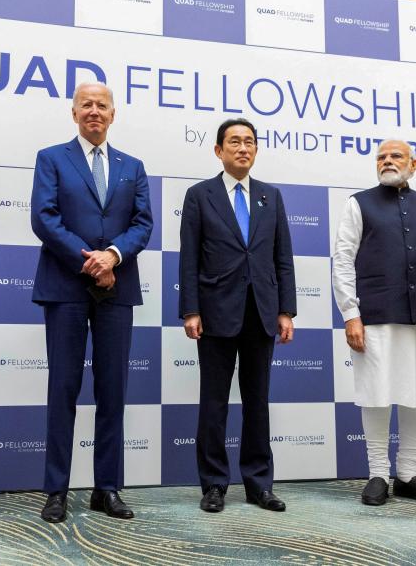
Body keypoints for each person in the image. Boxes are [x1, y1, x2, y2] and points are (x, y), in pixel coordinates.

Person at [30, 82, 153, 523]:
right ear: (74, 112)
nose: (94, 111)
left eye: (102, 105)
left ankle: (107, 489)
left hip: (117, 287)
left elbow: (143, 224)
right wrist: (90, 260)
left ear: (114, 114)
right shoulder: (51, 158)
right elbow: (44, 218)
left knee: (112, 391)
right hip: (65, 286)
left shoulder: (132, 166)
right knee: (62, 389)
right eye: (87, 105)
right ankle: (56, 491)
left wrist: (113, 256)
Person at [331, 139, 416, 506]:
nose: (387, 161)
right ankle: (377, 474)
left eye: (395, 156)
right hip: (374, 315)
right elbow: (342, 260)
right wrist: (351, 313)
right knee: (376, 392)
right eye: (382, 157)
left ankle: (407, 474)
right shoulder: (358, 204)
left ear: (413, 164)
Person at [179, 117, 296, 514]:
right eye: (234, 142)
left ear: (256, 149)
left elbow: (283, 259)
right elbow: (189, 257)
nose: (242, 148)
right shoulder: (200, 195)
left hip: (261, 313)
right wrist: (190, 309)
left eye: (249, 142)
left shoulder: (271, 196)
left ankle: (259, 484)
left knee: (257, 403)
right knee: (213, 404)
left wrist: (286, 310)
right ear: (218, 150)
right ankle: (214, 484)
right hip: (214, 313)